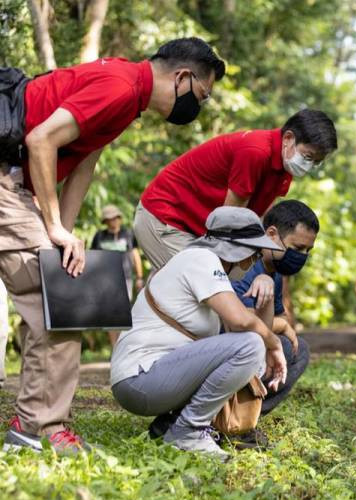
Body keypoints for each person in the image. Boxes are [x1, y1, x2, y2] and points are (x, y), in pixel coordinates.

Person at [1, 37, 226, 454]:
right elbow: (41, 142)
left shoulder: (128, 93)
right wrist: (52, 224)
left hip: (17, 182)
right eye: (202, 94)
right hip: (8, 178)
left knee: (58, 284)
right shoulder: (121, 87)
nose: (201, 104)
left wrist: (61, 237)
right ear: (181, 77)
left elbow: (83, 163)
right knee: (61, 303)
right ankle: (41, 429)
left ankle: (33, 424)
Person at [110, 207, 286, 459]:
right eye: (254, 253)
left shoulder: (210, 276)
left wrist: (267, 295)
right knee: (250, 345)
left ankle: (172, 426)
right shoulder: (201, 259)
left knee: (250, 347)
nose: (256, 261)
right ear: (237, 250)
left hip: (155, 379)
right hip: (141, 378)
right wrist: (274, 345)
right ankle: (188, 431)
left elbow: (249, 328)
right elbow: (241, 323)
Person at [134, 108, 337, 277]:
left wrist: (270, 261)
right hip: (166, 217)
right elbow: (227, 222)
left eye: (316, 162)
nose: (309, 166)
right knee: (202, 287)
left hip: (198, 228)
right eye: (308, 157)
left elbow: (265, 217)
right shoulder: (256, 151)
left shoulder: (284, 168)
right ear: (288, 138)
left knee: (206, 290)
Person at [228, 200, 316, 445]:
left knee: (297, 349)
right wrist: (279, 327)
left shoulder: (274, 270)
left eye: (307, 251)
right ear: (271, 234)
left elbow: (278, 318)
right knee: (281, 344)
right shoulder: (244, 265)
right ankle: (222, 417)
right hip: (222, 346)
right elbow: (238, 321)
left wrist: (279, 327)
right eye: (297, 247)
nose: (301, 256)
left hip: (248, 345)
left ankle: (245, 417)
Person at [91, 204, 143, 345]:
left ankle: (123, 346)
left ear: (119, 219)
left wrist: (139, 277)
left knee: (123, 312)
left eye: (115, 218)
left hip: (125, 278)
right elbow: (93, 259)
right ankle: (115, 347)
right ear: (105, 221)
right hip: (105, 281)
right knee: (109, 314)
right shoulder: (99, 236)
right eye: (109, 219)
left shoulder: (128, 234)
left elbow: (135, 255)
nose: (112, 221)